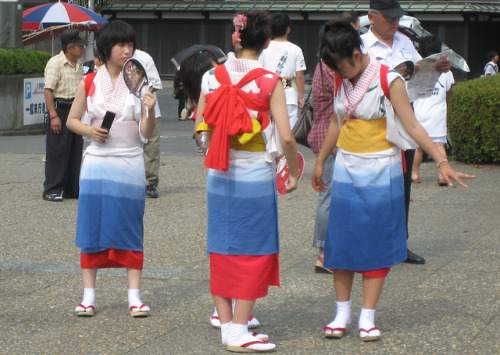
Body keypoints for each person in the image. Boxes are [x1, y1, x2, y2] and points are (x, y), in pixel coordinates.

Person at [312, 20, 473, 343]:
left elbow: (412, 126)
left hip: (381, 169)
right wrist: (320, 161)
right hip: (346, 168)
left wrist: (441, 160)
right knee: (340, 243)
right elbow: (336, 121)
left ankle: (367, 316)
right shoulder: (343, 79)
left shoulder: (389, 79)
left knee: (374, 243)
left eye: (344, 68)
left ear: (357, 54)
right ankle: (341, 312)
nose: (342, 76)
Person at [195, 11, 299, 352]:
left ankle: (228, 325)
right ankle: (239, 329)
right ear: (266, 43)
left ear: (235, 39)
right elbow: (286, 136)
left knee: (222, 245)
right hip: (254, 172)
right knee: (255, 248)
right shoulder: (271, 81)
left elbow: (202, 129)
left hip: (219, 170)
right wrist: (292, 170)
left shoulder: (211, 77)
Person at [66, 20, 157, 317]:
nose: (127, 50)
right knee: (92, 225)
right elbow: (72, 120)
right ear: (107, 48)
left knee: (130, 226)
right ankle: (88, 295)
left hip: (129, 159)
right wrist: (90, 132)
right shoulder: (90, 81)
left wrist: (150, 108)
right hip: (97, 162)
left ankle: (135, 296)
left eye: (130, 45)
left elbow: (147, 131)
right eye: (121, 45)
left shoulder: (140, 83)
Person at [361, 0, 452, 265]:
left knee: (402, 184)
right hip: (375, 121)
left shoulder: (404, 43)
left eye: (397, 18)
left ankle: (400, 244)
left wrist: (437, 68)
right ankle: (371, 243)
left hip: (404, 117)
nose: (394, 23)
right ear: (372, 17)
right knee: (374, 185)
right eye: (389, 18)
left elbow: (417, 72)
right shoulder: (361, 45)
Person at [179, 51, 263, 329]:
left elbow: (202, 139)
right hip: (245, 169)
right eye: (215, 69)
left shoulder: (206, 99)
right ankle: (232, 313)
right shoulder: (223, 88)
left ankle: (229, 312)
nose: (222, 70)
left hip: (219, 170)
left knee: (225, 241)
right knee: (244, 244)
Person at [309, 15, 360, 273]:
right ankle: (322, 252)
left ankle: (330, 248)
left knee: (333, 193)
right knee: (328, 194)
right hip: (329, 137)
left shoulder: (326, 63)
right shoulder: (332, 67)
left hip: (331, 135)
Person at [42, 29, 86, 202]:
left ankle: (71, 188)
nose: (82, 49)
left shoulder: (79, 65)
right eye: (80, 46)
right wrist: (53, 115)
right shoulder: (56, 63)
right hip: (60, 108)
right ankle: (52, 188)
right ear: (70, 48)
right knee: (57, 150)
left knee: (75, 149)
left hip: (75, 109)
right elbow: (48, 90)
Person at [411, 36, 455, 186]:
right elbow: (450, 89)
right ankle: (442, 176)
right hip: (437, 113)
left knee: (418, 146)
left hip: (418, 112)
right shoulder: (445, 69)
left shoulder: (417, 68)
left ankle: (415, 174)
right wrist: (446, 102)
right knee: (438, 145)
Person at [259, 12, 306, 129]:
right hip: (288, 95)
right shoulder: (296, 49)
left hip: (268, 93)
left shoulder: (264, 48)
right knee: (288, 131)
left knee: (269, 131)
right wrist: (300, 97)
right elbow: (299, 75)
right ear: (287, 29)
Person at [133, 48, 163, 198]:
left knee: (151, 148)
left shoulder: (144, 57)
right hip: (126, 111)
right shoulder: (113, 59)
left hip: (149, 109)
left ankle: (150, 183)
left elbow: (156, 82)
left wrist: (140, 88)